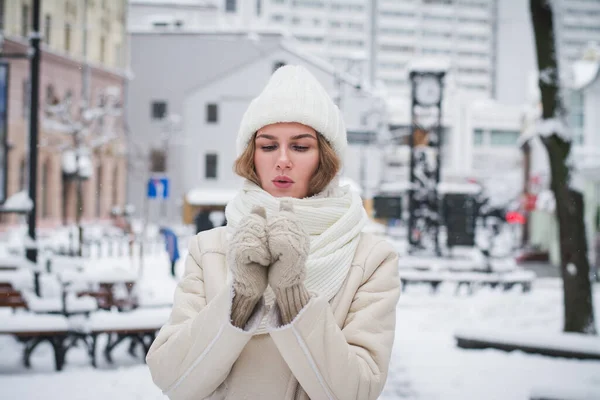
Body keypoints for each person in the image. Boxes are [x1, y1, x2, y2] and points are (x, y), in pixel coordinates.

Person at [146, 65, 401, 400]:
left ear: (326, 158)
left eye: (300, 146)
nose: (282, 160)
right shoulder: (210, 249)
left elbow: (357, 390)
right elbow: (172, 379)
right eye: (268, 146)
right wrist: (242, 300)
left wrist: (293, 298)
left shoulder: (371, 259)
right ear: (251, 157)